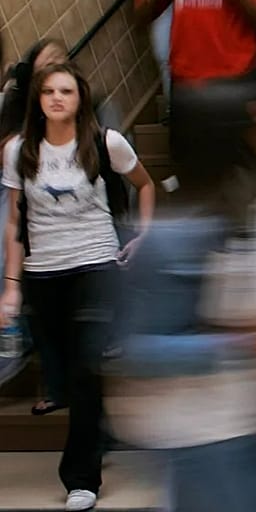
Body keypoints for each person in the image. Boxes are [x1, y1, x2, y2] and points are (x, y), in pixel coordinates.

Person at [109, 58, 256, 512]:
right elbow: (137, 349)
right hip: (210, 436)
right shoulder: (174, 240)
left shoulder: (255, 209)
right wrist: (240, 343)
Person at [1, 63, 155, 512]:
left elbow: (144, 184)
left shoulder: (106, 141)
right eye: (48, 90)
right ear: (37, 99)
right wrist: (11, 285)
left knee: (87, 367)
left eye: (65, 90)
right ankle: (99, 427)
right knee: (67, 375)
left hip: (95, 263)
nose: (56, 98)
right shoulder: (17, 150)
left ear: (80, 97)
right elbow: (14, 220)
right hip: (43, 271)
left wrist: (144, 235)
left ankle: (81, 479)